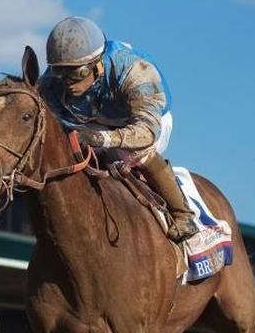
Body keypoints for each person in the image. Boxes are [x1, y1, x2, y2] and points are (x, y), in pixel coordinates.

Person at [37, 16, 197, 242]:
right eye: (59, 72)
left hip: (144, 123)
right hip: (92, 120)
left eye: (77, 73)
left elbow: (146, 131)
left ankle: (182, 213)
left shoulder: (135, 71)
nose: (67, 81)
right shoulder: (49, 84)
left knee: (131, 153)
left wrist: (102, 139)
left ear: (97, 64)